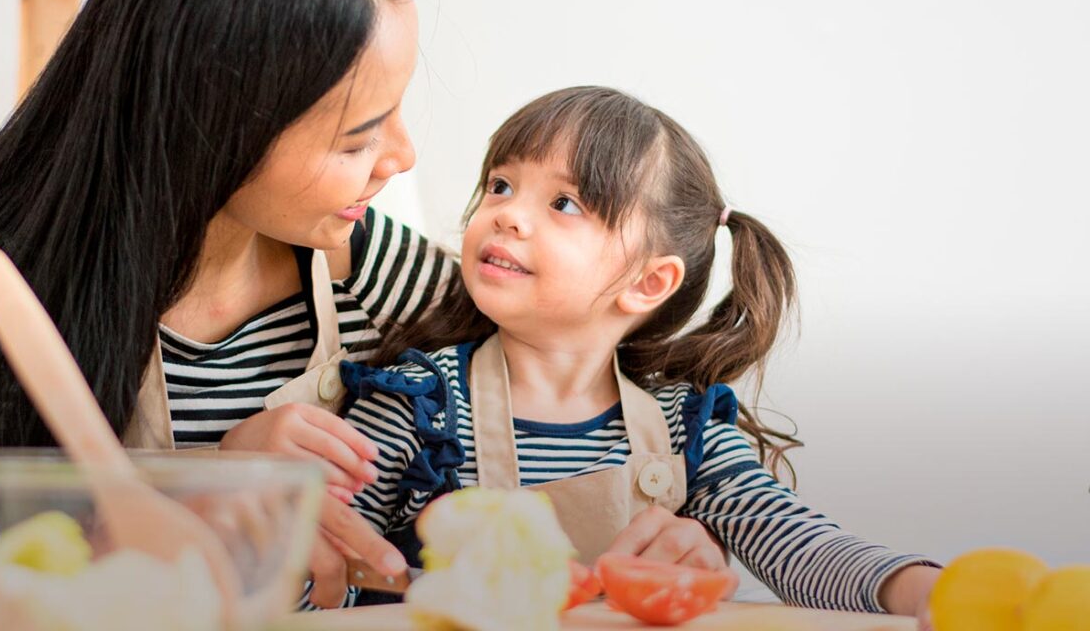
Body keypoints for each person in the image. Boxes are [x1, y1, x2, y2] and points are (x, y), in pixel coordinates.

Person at [0, 0, 448, 608]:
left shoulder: (363, 266)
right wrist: (183, 492)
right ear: (219, 121)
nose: (402, 157)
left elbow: (542, 354)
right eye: (357, 139)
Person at [337, 86, 942, 618]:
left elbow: (800, 547)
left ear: (647, 283)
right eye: (501, 185)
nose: (507, 215)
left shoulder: (683, 432)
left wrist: (924, 592)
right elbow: (316, 572)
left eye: (564, 203)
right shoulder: (415, 408)